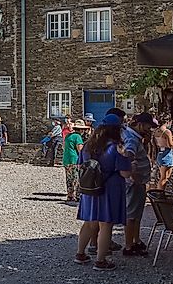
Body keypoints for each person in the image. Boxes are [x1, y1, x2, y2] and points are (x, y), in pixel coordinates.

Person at [74, 114, 132, 271]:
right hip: (109, 188)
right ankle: (100, 260)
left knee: (89, 222)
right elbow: (125, 173)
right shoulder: (115, 148)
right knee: (106, 224)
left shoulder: (88, 145)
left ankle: (80, 254)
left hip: (89, 187)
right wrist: (125, 156)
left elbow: (80, 167)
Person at [123, 113, 158, 257]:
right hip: (135, 182)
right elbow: (128, 155)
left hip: (138, 181)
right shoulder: (132, 139)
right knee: (131, 215)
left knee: (136, 214)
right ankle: (129, 246)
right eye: (148, 126)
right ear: (140, 124)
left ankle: (135, 241)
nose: (150, 129)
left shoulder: (134, 137)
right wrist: (132, 173)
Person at [62, 119, 88, 205]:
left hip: (66, 159)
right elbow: (80, 150)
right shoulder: (78, 137)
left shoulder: (68, 136)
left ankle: (69, 195)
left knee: (69, 178)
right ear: (80, 130)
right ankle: (77, 196)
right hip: (74, 159)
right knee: (76, 178)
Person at [153, 116, 173, 190]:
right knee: (164, 177)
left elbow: (154, 143)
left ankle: (160, 192)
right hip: (167, 154)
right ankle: (160, 193)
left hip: (160, 152)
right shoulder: (167, 131)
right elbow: (171, 145)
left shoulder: (156, 131)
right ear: (168, 121)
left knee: (164, 176)